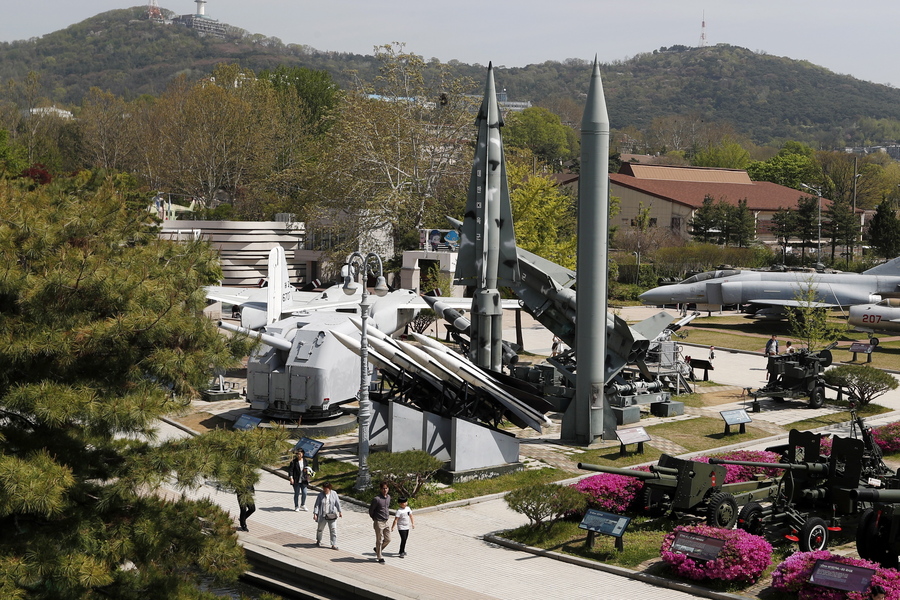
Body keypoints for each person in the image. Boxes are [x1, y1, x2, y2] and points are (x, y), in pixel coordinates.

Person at [313, 482, 342, 550]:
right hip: (322, 515)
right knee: (320, 529)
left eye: (326, 489)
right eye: (324, 489)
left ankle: (333, 544)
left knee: (333, 530)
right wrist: (315, 514)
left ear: (329, 488)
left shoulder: (334, 494)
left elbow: (337, 503)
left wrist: (340, 511)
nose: (325, 490)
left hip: (331, 515)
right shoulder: (320, 495)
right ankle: (318, 540)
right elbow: (317, 505)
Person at [369, 481, 392, 563]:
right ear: (380, 489)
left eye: (386, 488)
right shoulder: (377, 499)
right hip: (379, 521)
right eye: (383, 488)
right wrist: (375, 519)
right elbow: (371, 510)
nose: (385, 490)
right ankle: (379, 556)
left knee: (388, 539)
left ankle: (378, 549)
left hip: (386, 521)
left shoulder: (389, 497)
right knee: (379, 540)